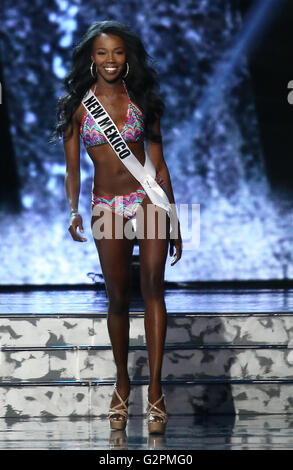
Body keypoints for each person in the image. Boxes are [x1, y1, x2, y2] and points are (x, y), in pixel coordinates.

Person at [52, 20, 182, 434]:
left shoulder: (145, 101)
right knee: (118, 297)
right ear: (91, 59)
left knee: (153, 286)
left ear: (128, 59)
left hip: (147, 201)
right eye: (102, 53)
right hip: (105, 206)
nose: (110, 60)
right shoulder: (77, 105)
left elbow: (158, 165)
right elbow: (72, 170)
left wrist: (173, 217)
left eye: (118, 52)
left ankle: (157, 391)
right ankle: (123, 382)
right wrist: (73, 210)